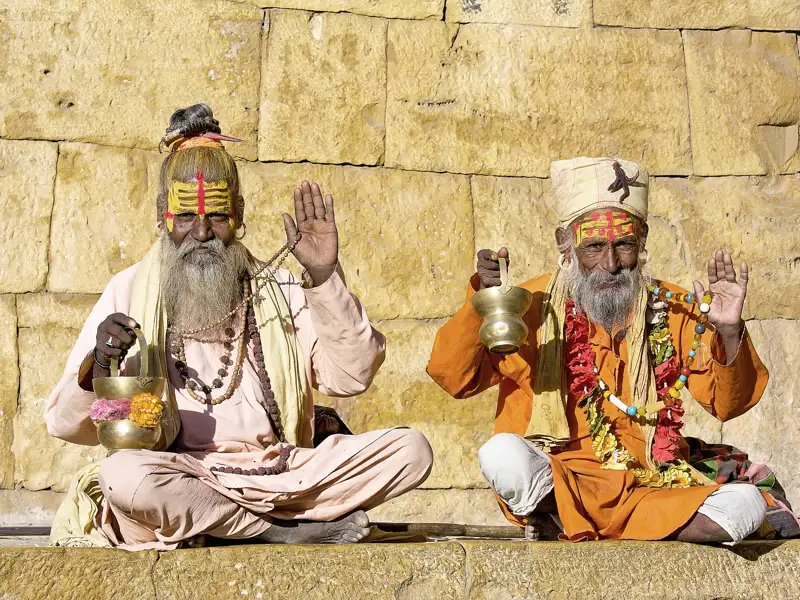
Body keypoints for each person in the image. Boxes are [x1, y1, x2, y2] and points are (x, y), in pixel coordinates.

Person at [45, 104, 433, 550]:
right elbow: (65, 424)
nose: (203, 233)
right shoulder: (129, 289)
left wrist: (325, 278)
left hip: (284, 475)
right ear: (162, 216)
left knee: (412, 450)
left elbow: (352, 376)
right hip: (182, 474)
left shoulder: (280, 288)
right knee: (124, 477)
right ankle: (277, 532)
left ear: (240, 215)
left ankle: (221, 525)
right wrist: (100, 363)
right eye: (186, 216)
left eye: (218, 216)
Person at [428, 156, 797, 543]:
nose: (610, 264)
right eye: (593, 246)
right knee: (501, 455)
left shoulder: (671, 306)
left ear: (643, 242)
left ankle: (572, 523)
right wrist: (483, 302)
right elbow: (455, 378)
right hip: (560, 479)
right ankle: (620, 523)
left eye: (624, 245)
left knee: (745, 506)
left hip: (651, 484)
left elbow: (728, 404)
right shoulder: (528, 304)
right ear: (564, 244)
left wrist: (729, 331)